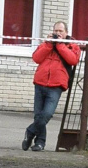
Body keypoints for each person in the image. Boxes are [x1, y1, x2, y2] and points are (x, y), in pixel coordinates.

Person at [22, 21, 81, 151]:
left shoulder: (72, 46)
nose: (58, 33)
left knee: (47, 114)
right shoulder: (46, 43)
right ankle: (39, 143)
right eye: (56, 31)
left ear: (66, 33)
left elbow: (73, 60)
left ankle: (30, 132)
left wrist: (60, 45)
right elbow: (36, 58)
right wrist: (49, 44)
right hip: (40, 82)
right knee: (38, 116)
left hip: (56, 85)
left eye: (60, 31)